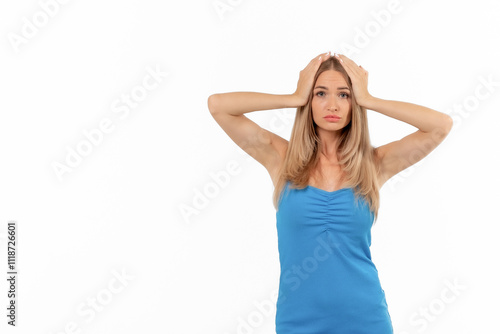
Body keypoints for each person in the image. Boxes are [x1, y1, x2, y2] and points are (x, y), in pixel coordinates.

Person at [207, 51, 453, 333]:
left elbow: (440, 126)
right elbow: (218, 106)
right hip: (297, 321)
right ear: (309, 101)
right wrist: (292, 97)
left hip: (365, 318)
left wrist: (370, 100)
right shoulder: (281, 158)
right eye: (321, 94)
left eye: (344, 95)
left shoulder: (374, 164)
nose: (333, 105)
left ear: (354, 102)